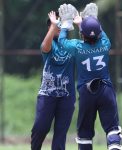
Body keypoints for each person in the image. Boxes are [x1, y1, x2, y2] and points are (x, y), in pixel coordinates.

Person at [57, 3, 122, 150]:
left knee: (85, 133)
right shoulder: (106, 44)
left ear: (82, 35)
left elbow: (62, 41)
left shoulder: (77, 47)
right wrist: (90, 19)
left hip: (87, 93)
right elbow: (98, 33)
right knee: (112, 128)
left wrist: (67, 23)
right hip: (106, 90)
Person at [31, 11, 76, 150]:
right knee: (41, 127)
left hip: (66, 96)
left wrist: (80, 23)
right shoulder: (49, 44)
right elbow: (45, 47)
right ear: (49, 27)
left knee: (61, 133)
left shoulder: (71, 44)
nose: (58, 26)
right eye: (55, 23)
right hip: (47, 94)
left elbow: (86, 44)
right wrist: (53, 25)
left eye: (60, 23)